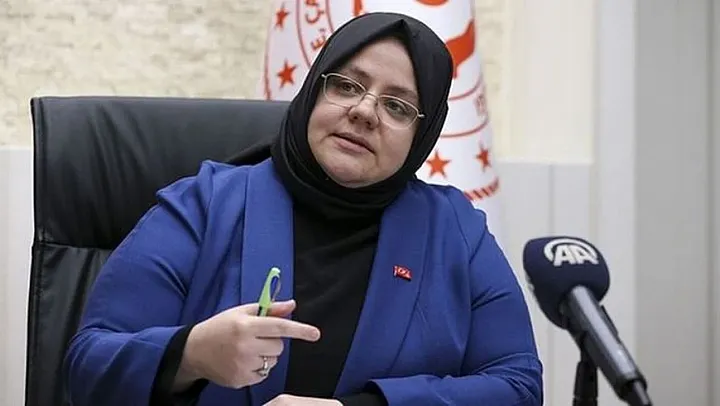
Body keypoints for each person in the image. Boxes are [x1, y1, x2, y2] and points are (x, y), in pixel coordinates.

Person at [64, 11, 543, 406]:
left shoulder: (456, 231)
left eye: (397, 107)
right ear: (314, 90)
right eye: (347, 85)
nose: (364, 111)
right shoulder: (205, 204)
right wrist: (191, 354)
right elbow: (87, 365)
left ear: (423, 137)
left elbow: (518, 387)